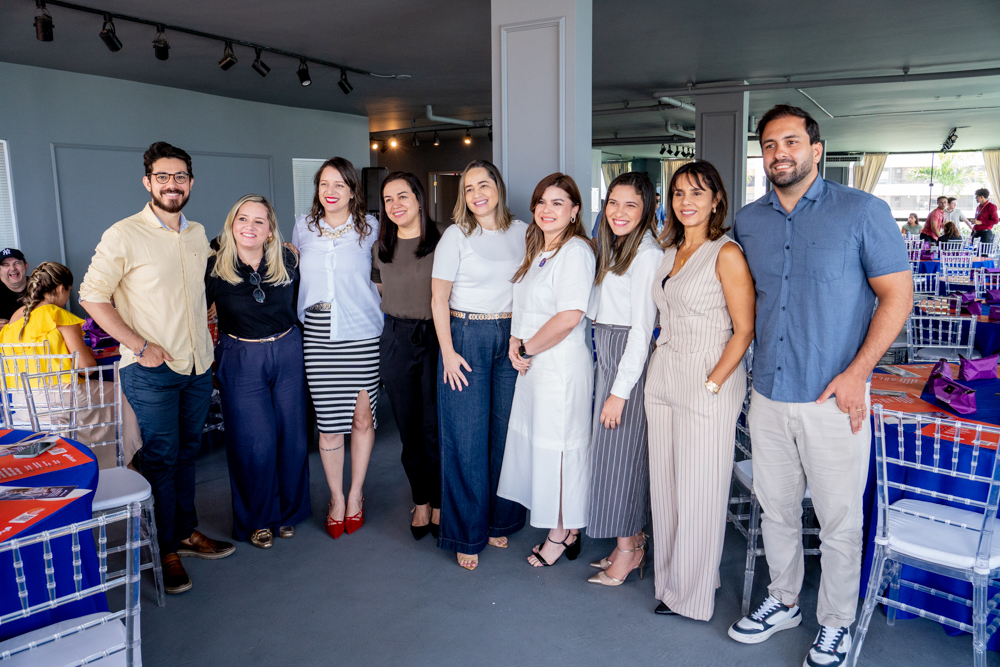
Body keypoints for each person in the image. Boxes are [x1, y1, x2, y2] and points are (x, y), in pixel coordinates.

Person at [728, 105, 911, 667]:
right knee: (777, 511)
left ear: (816, 149)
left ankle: (834, 623)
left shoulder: (862, 211)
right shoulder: (748, 221)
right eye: (769, 144)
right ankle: (783, 600)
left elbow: (897, 296)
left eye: (791, 141)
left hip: (835, 398)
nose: (779, 153)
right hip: (768, 393)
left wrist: (859, 373)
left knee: (838, 521)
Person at [80, 141, 235, 596]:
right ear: (147, 182)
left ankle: (184, 532)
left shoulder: (197, 233)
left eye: (180, 177)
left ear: (191, 182)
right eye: (163, 177)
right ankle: (163, 547)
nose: (172, 184)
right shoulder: (123, 234)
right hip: (151, 370)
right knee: (162, 457)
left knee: (188, 453)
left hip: (197, 365)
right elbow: (92, 296)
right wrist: (139, 344)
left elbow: (193, 293)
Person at [644, 161, 755, 616]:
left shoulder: (725, 253)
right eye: (678, 193)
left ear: (716, 200)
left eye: (696, 193)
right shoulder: (670, 250)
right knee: (666, 486)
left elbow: (744, 330)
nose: (685, 201)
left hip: (709, 374)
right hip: (664, 370)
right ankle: (674, 580)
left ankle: (691, 596)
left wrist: (712, 383)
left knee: (699, 489)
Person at [431, 160, 528, 571]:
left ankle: (498, 520)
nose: (476, 194)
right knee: (466, 438)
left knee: (504, 435)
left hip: (510, 337)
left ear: (498, 188)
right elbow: (438, 299)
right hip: (466, 335)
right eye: (468, 189)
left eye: (483, 185)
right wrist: (448, 352)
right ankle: (466, 533)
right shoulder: (456, 236)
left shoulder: (523, 232)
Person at [498, 172, 596, 569]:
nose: (546, 209)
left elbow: (569, 317)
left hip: (560, 368)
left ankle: (563, 531)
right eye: (541, 202)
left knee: (559, 449)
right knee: (541, 445)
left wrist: (525, 347)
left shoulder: (576, 251)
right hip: (534, 365)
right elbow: (525, 305)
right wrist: (514, 341)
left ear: (574, 211)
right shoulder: (540, 249)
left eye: (558, 202)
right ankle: (561, 524)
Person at [205, 194, 310, 550]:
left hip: (287, 349)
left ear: (270, 230)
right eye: (242, 219)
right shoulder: (213, 266)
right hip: (241, 356)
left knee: (293, 437)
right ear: (232, 225)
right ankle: (258, 519)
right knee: (255, 442)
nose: (249, 226)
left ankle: (289, 511)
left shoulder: (288, 259)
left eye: (258, 221)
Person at [292, 157, 381, 539]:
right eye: (324, 184)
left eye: (339, 184)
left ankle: (356, 493)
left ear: (352, 191)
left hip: (361, 332)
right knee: (329, 425)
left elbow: (385, 274)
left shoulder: (371, 228)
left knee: (362, 418)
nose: (330, 191)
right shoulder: (303, 227)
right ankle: (336, 498)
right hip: (318, 332)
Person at [584, 172, 662, 586]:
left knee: (622, 460)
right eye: (613, 202)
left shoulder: (646, 253)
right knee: (612, 457)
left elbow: (642, 330)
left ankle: (630, 550)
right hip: (607, 349)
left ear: (646, 209)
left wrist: (618, 392)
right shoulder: (613, 245)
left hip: (626, 359)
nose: (618, 212)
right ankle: (627, 543)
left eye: (630, 204)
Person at [371, 172, 444, 540]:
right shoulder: (380, 246)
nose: (395, 205)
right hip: (397, 340)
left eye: (402, 196)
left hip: (437, 339)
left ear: (418, 198)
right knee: (409, 429)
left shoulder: (443, 239)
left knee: (435, 428)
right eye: (388, 199)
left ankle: (441, 501)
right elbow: (382, 288)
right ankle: (421, 500)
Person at [0, 248, 29, 325]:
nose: (13, 268)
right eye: (6, 265)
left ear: (26, 266)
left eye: (17, 263)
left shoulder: (40, 287)